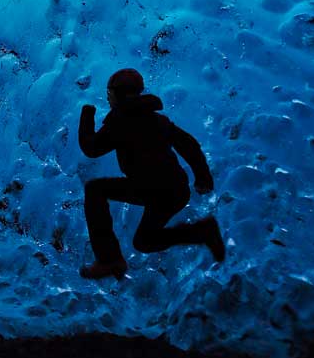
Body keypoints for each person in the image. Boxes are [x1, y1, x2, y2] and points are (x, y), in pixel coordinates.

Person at [78, 67, 225, 280]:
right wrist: (203, 178)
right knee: (144, 241)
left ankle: (109, 260)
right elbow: (188, 145)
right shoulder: (157, 120)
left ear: (119, 94)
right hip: (173, 190)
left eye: (109, 94)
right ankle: (203, 231)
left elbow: (91, 149)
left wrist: (87, 114)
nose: (107, 99)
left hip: (152, 189)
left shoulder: (121, 121)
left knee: (95, 190)